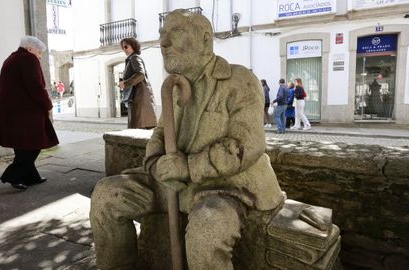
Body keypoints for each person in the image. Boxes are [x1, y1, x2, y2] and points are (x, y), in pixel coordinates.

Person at [90, 9, 284, 270]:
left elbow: (245, 145)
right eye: (162, 35)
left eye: (176, 32)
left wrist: (189, 167)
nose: (163, 42)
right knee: (106, 195)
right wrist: (156, 163)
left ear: (205, 39)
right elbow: (160, 133)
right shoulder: (173, 85)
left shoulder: (240, 80)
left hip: (225, 186)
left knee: (207, 229)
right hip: (172, 183)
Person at [0, 36, 59, 190]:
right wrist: (47, 104)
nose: (40, 56)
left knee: (23, 146)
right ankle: (13, 175)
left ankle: (30, 176)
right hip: (24, 111)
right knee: (34, 144)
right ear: (30, 49)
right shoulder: (28, 59)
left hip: (11, 110)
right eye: (39, 52)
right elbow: (35, 86)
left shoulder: (11, 58)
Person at [118, 37, 157, 129]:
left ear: (133, 46)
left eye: (126, 47)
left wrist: (125, 83)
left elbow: (140, 74)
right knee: (140, 128)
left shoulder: (134, 58)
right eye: (123, 47)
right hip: (138, 97)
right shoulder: (132, 59)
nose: (124, 49)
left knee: (139, 129)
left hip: (139, 98)